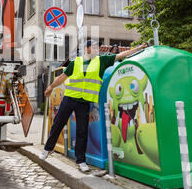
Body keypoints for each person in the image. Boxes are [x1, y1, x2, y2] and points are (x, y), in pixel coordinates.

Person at [41, 39, 148, 172]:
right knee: (57, 123)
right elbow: (63, 76)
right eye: (95, 47)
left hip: (85, 102)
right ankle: (47, 148)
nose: (97, 49)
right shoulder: (76, 62)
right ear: (87, 49)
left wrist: (138, 48)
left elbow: (121, 55)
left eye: (98, 47)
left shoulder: (102, 61)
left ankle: (81, 161)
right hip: (69, 98)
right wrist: (51, 87)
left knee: (82, 131)